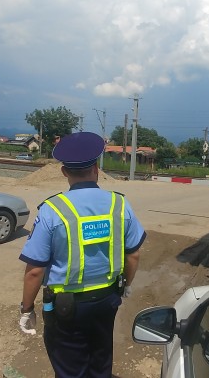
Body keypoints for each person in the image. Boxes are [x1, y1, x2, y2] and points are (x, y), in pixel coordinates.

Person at [18, 131, 147, 378]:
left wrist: (26, 309)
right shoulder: (119, 204)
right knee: (100, 361)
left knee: (70, 369)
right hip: (107, 300)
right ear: (96, 169)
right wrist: (127, 285)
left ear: (64, 172)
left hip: (66, 309)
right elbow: (133, 255)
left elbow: (35, 270)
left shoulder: (52, 210)